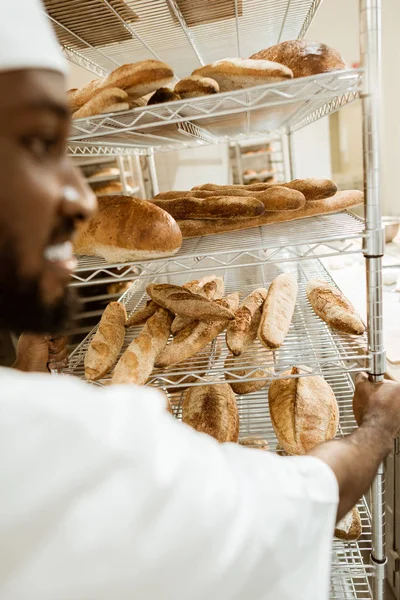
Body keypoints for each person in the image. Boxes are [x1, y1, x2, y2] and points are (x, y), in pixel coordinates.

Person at [0, 2, 399, 599]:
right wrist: (377, 427)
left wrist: (31, 364)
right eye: (36, 142)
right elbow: (288, 508)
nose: (82, 201)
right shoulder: (60, 438)